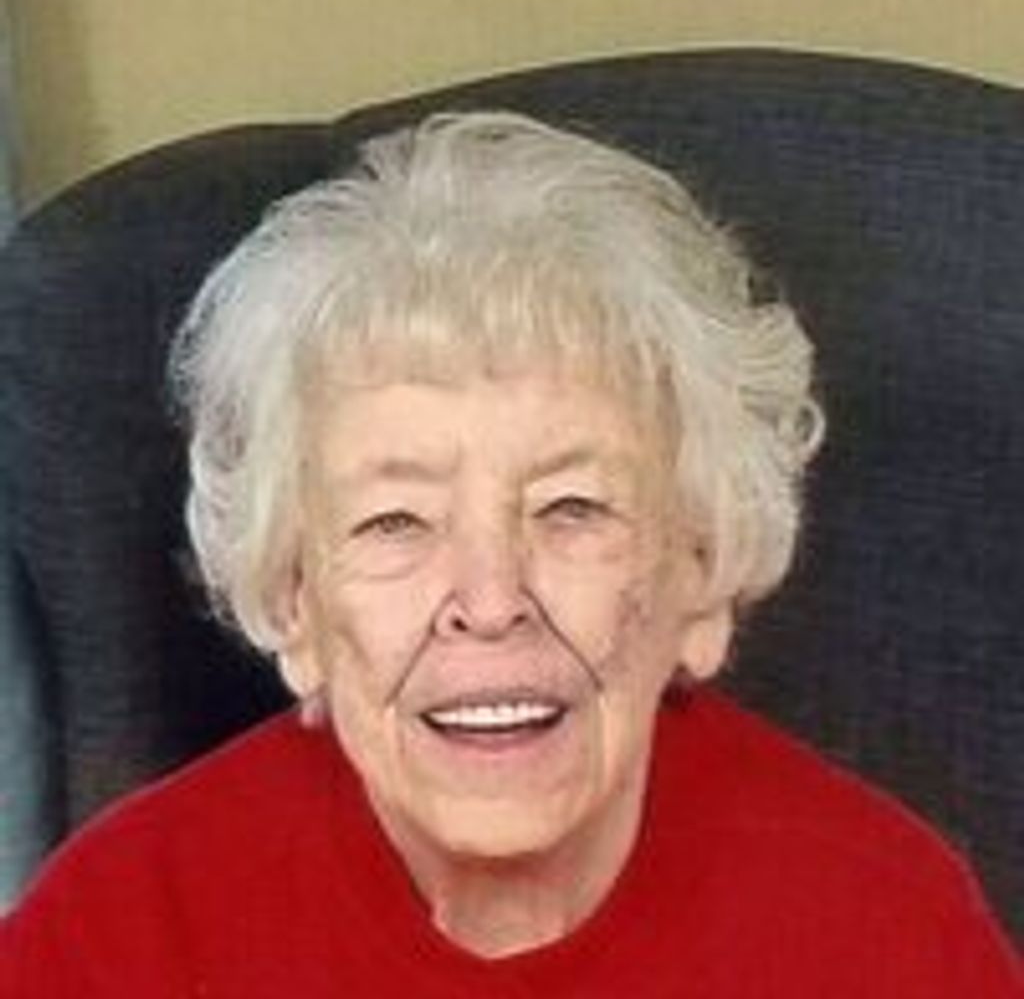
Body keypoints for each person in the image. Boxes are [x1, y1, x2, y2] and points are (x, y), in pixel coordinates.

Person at [1, 112, 1019, 996]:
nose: (490, 601)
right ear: (294, 602)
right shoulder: (122, 935)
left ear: (701, 580)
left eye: (571, 509)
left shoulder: (883, 931)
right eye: (395, 522)